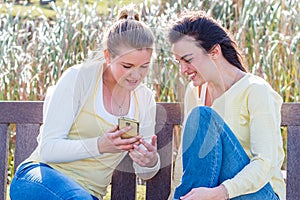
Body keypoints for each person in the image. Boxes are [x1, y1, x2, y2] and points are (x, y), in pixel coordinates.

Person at [10, 5, 160, 200]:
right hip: (40, 178)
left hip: (87, 195)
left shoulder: (144, 99)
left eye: (144, 67)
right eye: (127, 66)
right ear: (108, 56)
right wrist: (100, 145)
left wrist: (150, 160)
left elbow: (144, 171)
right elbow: (48, 149)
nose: (136, 75)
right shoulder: (78, 78)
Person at [168, 11, 285, 200]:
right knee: (202, 117)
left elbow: (264, 164)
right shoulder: (194, 91)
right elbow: (185, 160)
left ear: (214, 51)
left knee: (203, 116)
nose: (182, 70)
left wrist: (220, 193)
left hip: (257, 193)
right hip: (212, 193)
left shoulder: (255, 90)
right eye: (178, 62)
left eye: (188, 60)